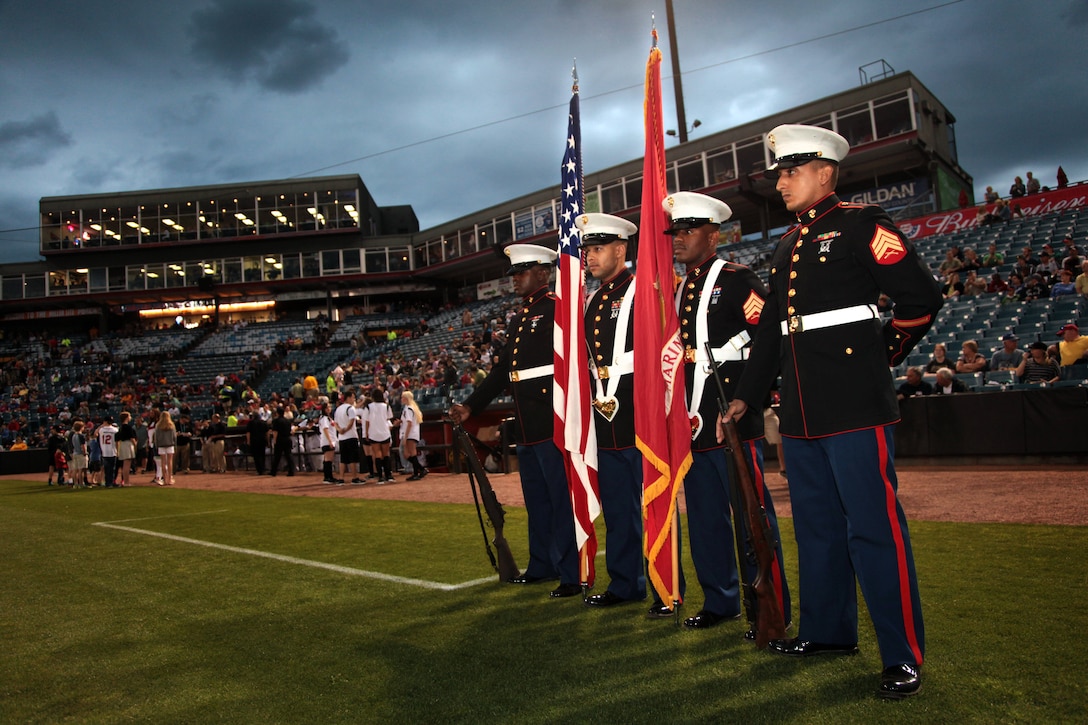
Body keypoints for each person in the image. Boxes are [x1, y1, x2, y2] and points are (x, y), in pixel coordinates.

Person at [726, 124, 941, 699]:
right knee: (817, 530)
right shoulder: (786, 243)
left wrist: (878, 357)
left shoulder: (862, 224)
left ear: (826, 172)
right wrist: (748, 391)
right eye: (779, 171)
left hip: (853, 401)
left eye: (792, 169)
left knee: (874, 530)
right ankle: (828, 632)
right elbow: (771, 330)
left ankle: (902, 655)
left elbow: (921, 298)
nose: (781, 180)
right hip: (798, 409)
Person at [663, 191, 792, 631]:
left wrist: (749, 398)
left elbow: (769, 338)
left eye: (687, 231)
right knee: (704, 521)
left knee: (752, 519)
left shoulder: (737, 279)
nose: (678, 240)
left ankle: (771, 607)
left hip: (733, 420)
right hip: (693, 421)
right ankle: (720, 601)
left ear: (713, 235)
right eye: (674, 232)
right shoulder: (680, 288)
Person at [448, 242, 581, 599]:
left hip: (553, 420)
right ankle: (542, 565)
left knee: (560, 500)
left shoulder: (558, 309)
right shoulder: (521, 317)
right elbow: (503, 371)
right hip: (527, 423)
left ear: (543, 272)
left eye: (521, 272)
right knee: (537, 501)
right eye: (514, 273)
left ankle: (571, 573)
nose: (515, 280)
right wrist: (471, 406)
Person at [574, 213, 647, 608]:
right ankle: (625, 584)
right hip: (605, 418)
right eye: (587, 250)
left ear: (621, 249)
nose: (589, 257)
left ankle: (665, 587)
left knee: (653, 505)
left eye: (598, 248)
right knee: (619, 508)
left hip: (638, 411)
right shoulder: (592, 300)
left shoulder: (642, 289)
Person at [334, 388, 364, 484]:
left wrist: (340, 431)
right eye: (353, 398)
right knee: (352, 458)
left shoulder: (338, 409)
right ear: (349, 398)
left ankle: (341, 478)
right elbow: (351, 422)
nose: (354, 400)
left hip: (342, 437)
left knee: (343, 459)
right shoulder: (350, 408)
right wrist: (345, 430)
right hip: (350, 436)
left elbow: (336, 423)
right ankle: (354, 477)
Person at [366, 388, 394, 483]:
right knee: (386, 453)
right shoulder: (386, 406)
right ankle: (388, 475)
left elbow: (367, 421)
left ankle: (380, 477)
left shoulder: (369, 407)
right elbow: (388, 418)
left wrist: (366, 433)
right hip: (384, 432)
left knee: (377, 454)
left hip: (374, 433)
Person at [399, 390, 428, 481]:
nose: (401, 399)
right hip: (413, 433)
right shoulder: (413, 408)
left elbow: (409, 423)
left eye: (403, 397)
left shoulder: (408, 408)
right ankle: (420, 470)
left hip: (410, 433)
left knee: (410, 453)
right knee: (408, 454)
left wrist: (405, 437)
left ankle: (417, 472)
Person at [268, 406, 296, 477]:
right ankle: (291, 471)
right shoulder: (288, 421)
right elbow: (290, 430)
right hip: (287, 439)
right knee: (288, 456)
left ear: (277, 413)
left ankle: (273, 471)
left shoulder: (276, 421)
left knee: (277, 456)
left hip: (280, 439)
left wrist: (274, 440)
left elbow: (275, 432)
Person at [317, 401, 341, 484]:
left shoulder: (328, 418)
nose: (329, 409)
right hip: (327, 441)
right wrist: (330, 441)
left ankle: (328, 476)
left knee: (329, 459)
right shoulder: (324, 418)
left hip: (331, 440)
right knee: (328, 459)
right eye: (327, 408)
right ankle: (328, 477)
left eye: (330, 407)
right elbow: (325, 429)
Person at [97, 415, 119, 488]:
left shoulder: (101, 430)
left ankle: (108, 483)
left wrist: (101, 425)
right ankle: (112, 482)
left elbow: (95, 433)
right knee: (113, 469)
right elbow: (117, 441)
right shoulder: (115, 430)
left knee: (107, 469)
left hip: (104, 451)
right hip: (113, 450)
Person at [156, 410, 177, 486]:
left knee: (163, 462)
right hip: (170, 444)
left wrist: (157, 445)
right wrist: (175, 444)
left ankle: (165, 479)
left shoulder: (158, 425)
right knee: (170, 462)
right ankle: (170, 478)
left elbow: (156, 437)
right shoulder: (171, 425)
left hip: (161, 445)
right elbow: (174, 436)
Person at [116, 411, 137, 487]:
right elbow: (132, 438)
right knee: (127, 464)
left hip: (123, 445)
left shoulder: (121, 427)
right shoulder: (127, 427)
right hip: (127, 445)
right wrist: (135, 445)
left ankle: (125, 481)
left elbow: (117, 438)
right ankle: (126, 482)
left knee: (125, 464)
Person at [246, 408, 269, 475]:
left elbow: (248, 433)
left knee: (256, 456)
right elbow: (267, 433)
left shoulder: (251, 423)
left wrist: (248, 441)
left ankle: (259, 470)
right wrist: (268, 441)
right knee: (262, 455)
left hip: (254, 441)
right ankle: (263, 469)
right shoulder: (263, 422)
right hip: (262, 440)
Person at [68, 420, 87, 488]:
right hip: (80, 454)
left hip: (75, 453)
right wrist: (84, 453)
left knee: (75, 469)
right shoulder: (81, 436)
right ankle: (81, 483)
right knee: (80, 469)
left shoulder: (73, 435)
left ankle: (75, 483)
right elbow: (82, 446)